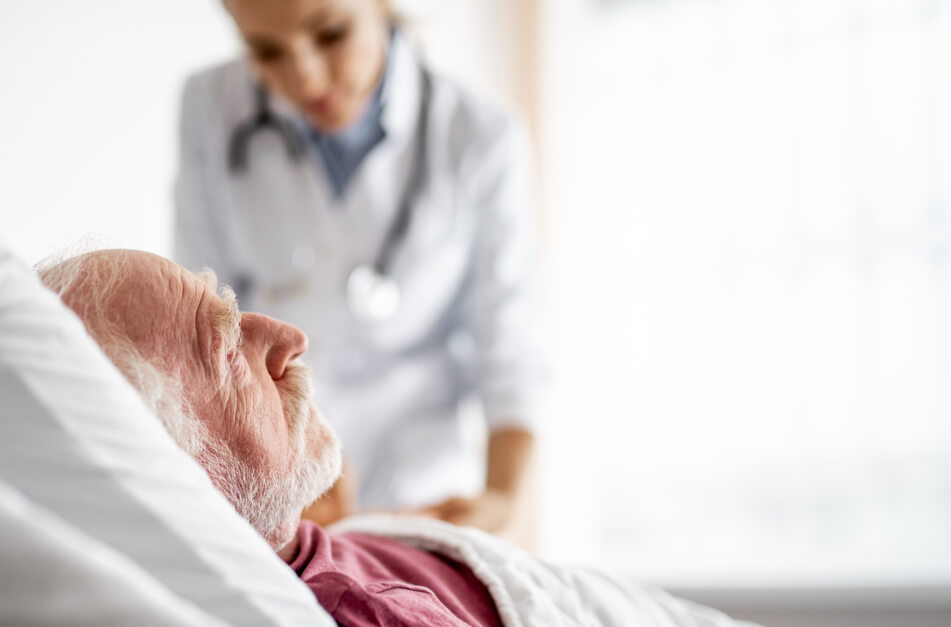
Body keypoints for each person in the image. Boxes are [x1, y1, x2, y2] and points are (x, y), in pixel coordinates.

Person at [38, 249, 754, 627]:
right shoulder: (368, 612)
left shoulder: (317, 553)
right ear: (172, 469)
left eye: (234, 306)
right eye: (225, 345)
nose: (287, 336)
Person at [174, 0, 543, 535]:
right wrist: (279, 460)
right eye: (266, 51)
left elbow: (509, 347)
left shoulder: (481, 136)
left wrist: (504, 500)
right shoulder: (211, 107)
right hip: (278, 486)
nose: (303, 77)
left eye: (330, 34)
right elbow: (202, 326)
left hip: (423, 495)